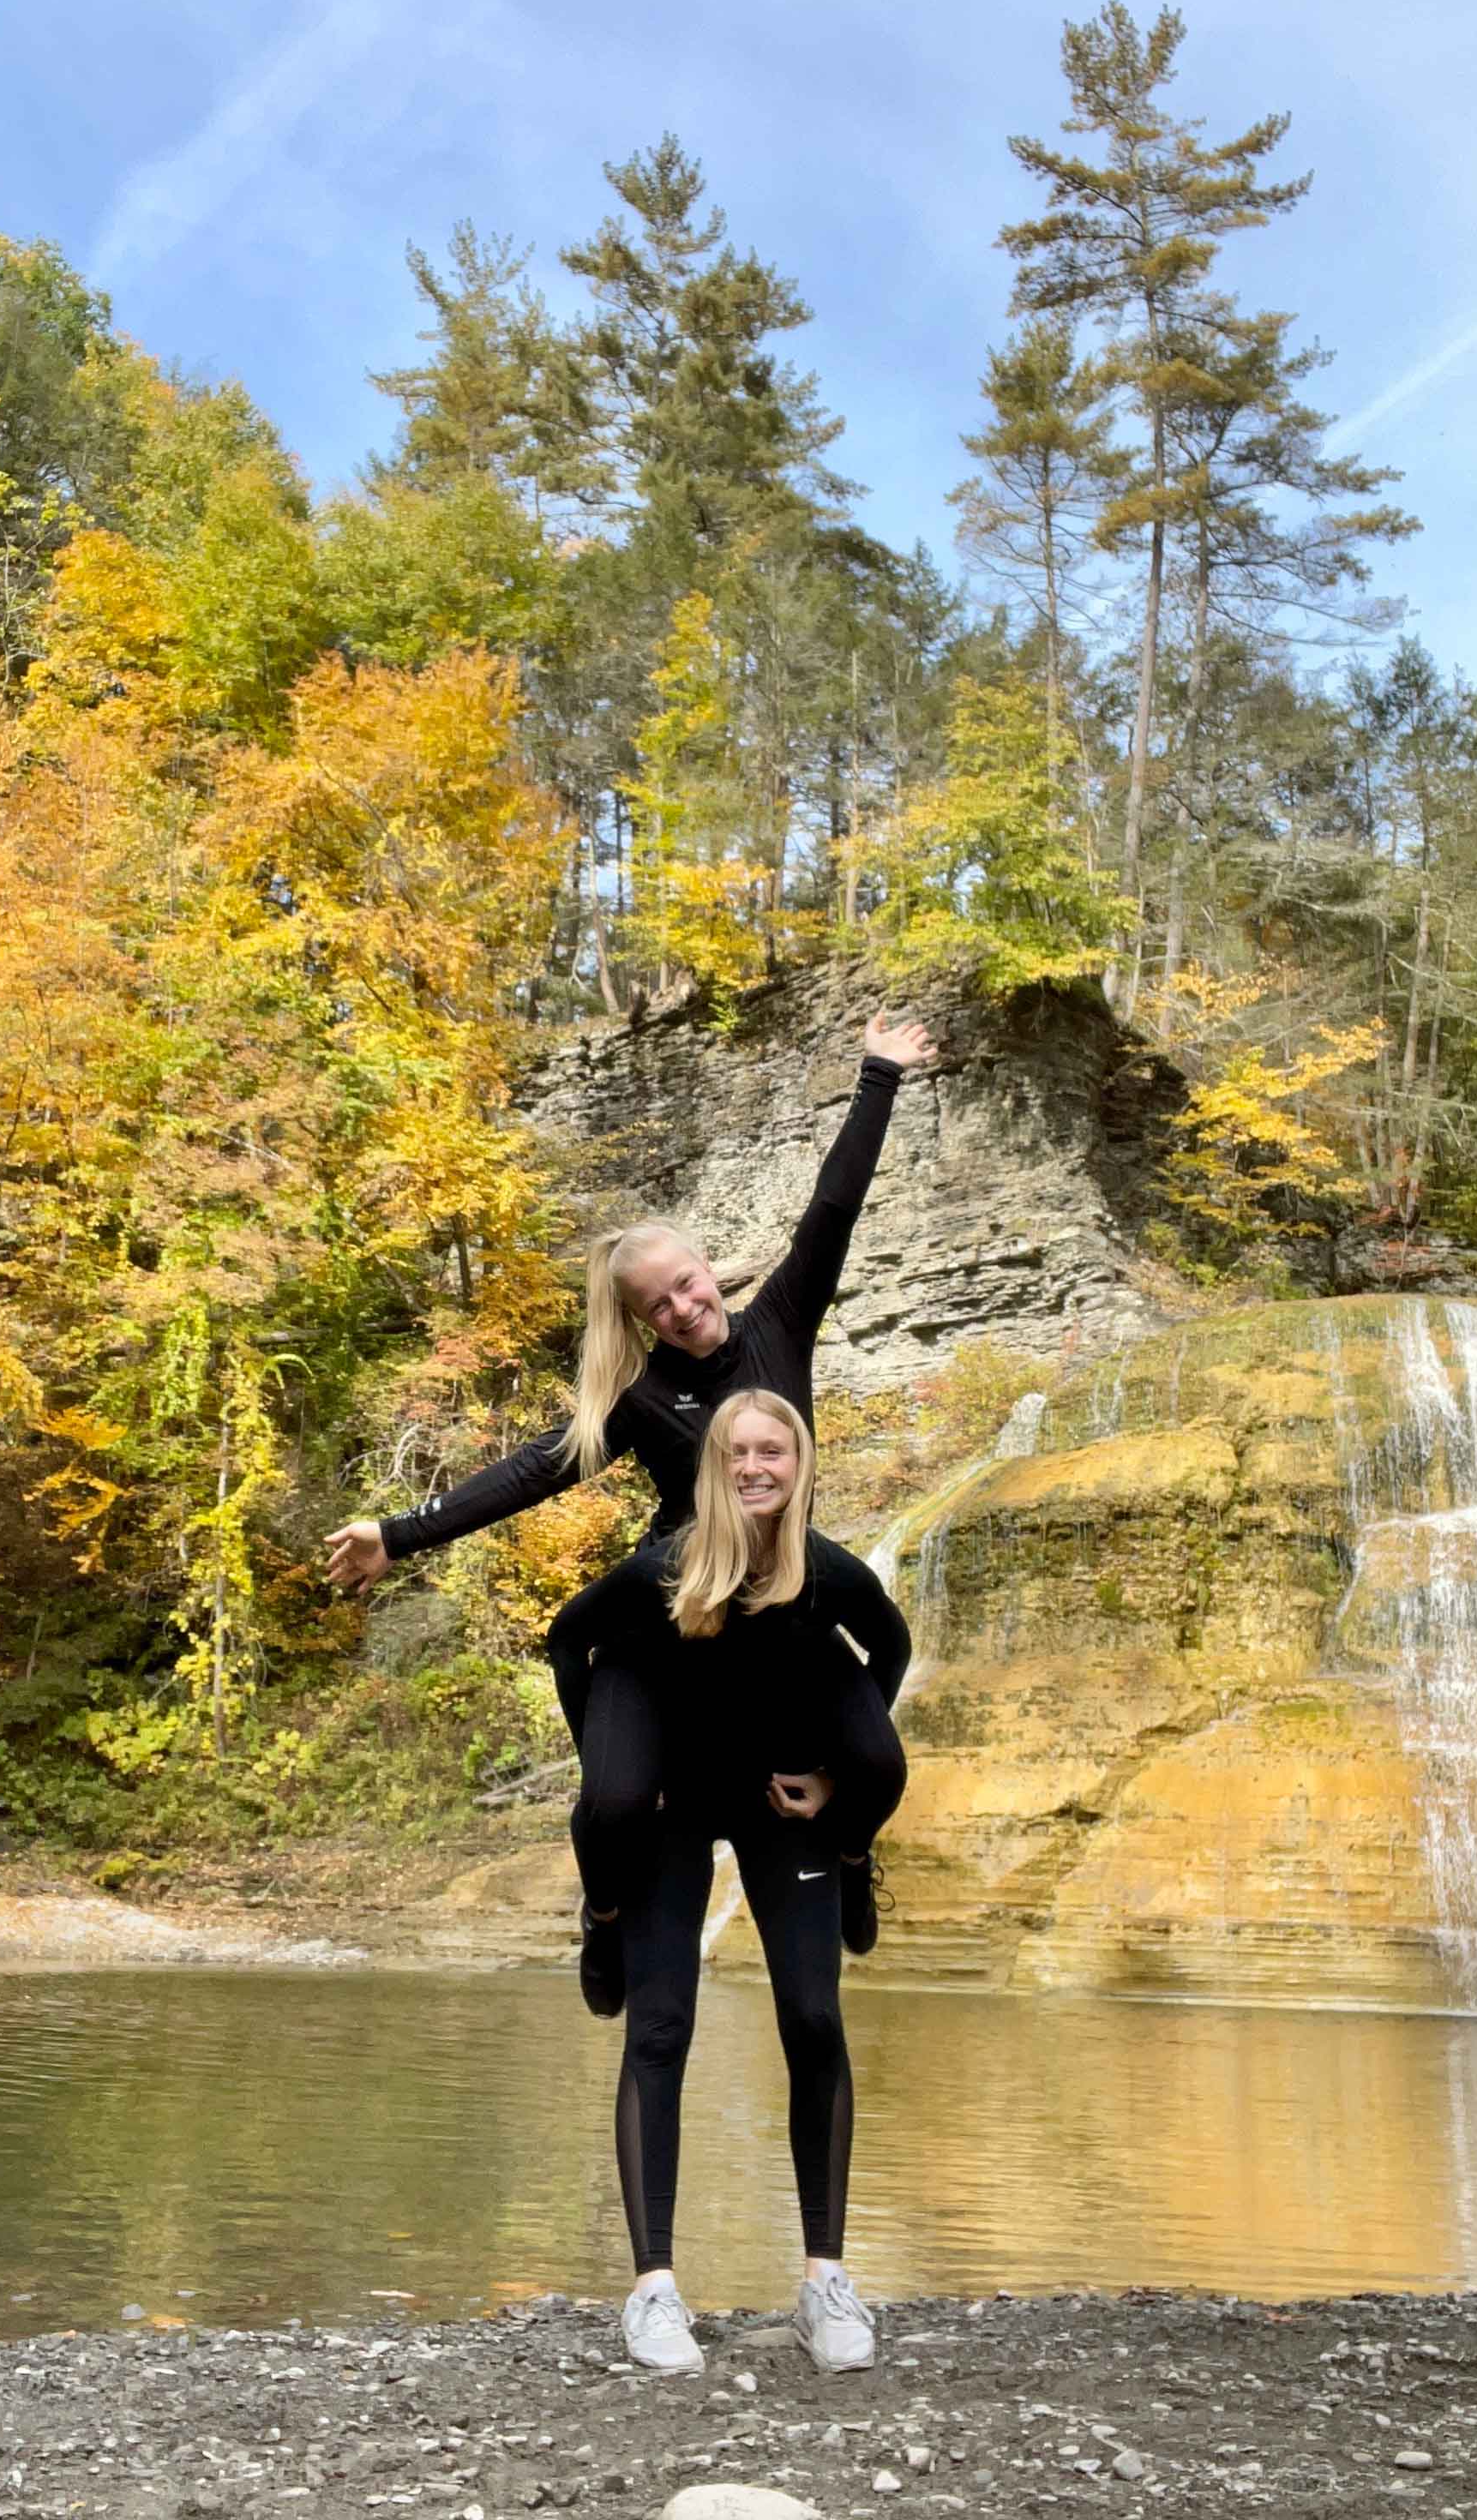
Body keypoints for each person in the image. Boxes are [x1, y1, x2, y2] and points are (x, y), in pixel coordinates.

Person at [326, 1010, 935, 2006]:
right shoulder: (641, 1396)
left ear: (706, 1269)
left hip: (789, 1588)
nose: (686, 1309)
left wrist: (879, 1074)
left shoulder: (781, 1318)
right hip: (685, 1604)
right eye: (660, 1305)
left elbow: (834, 1207)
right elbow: (532, 1471)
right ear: (642, 1318)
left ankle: (854, 1855)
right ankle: (606, 1913)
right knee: (616, 1795)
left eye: (689, 1285)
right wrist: (399, 1532)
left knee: (871, 1755)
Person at [585, 1389, 909, 2377]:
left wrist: (836, 1776)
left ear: (799, 1464)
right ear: (713, 1467)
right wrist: (607, 1772)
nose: (757, 1466)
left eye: (776, 1450)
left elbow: (889, 1648)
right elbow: (571, 1640)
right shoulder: (661, 1567)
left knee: (813, 2017)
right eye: (739, 1452)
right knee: (661, 2027)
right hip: (672, 1810)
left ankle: (825, 2282)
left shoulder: (830, 1570)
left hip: (780, 1807)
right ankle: (652, 2291)